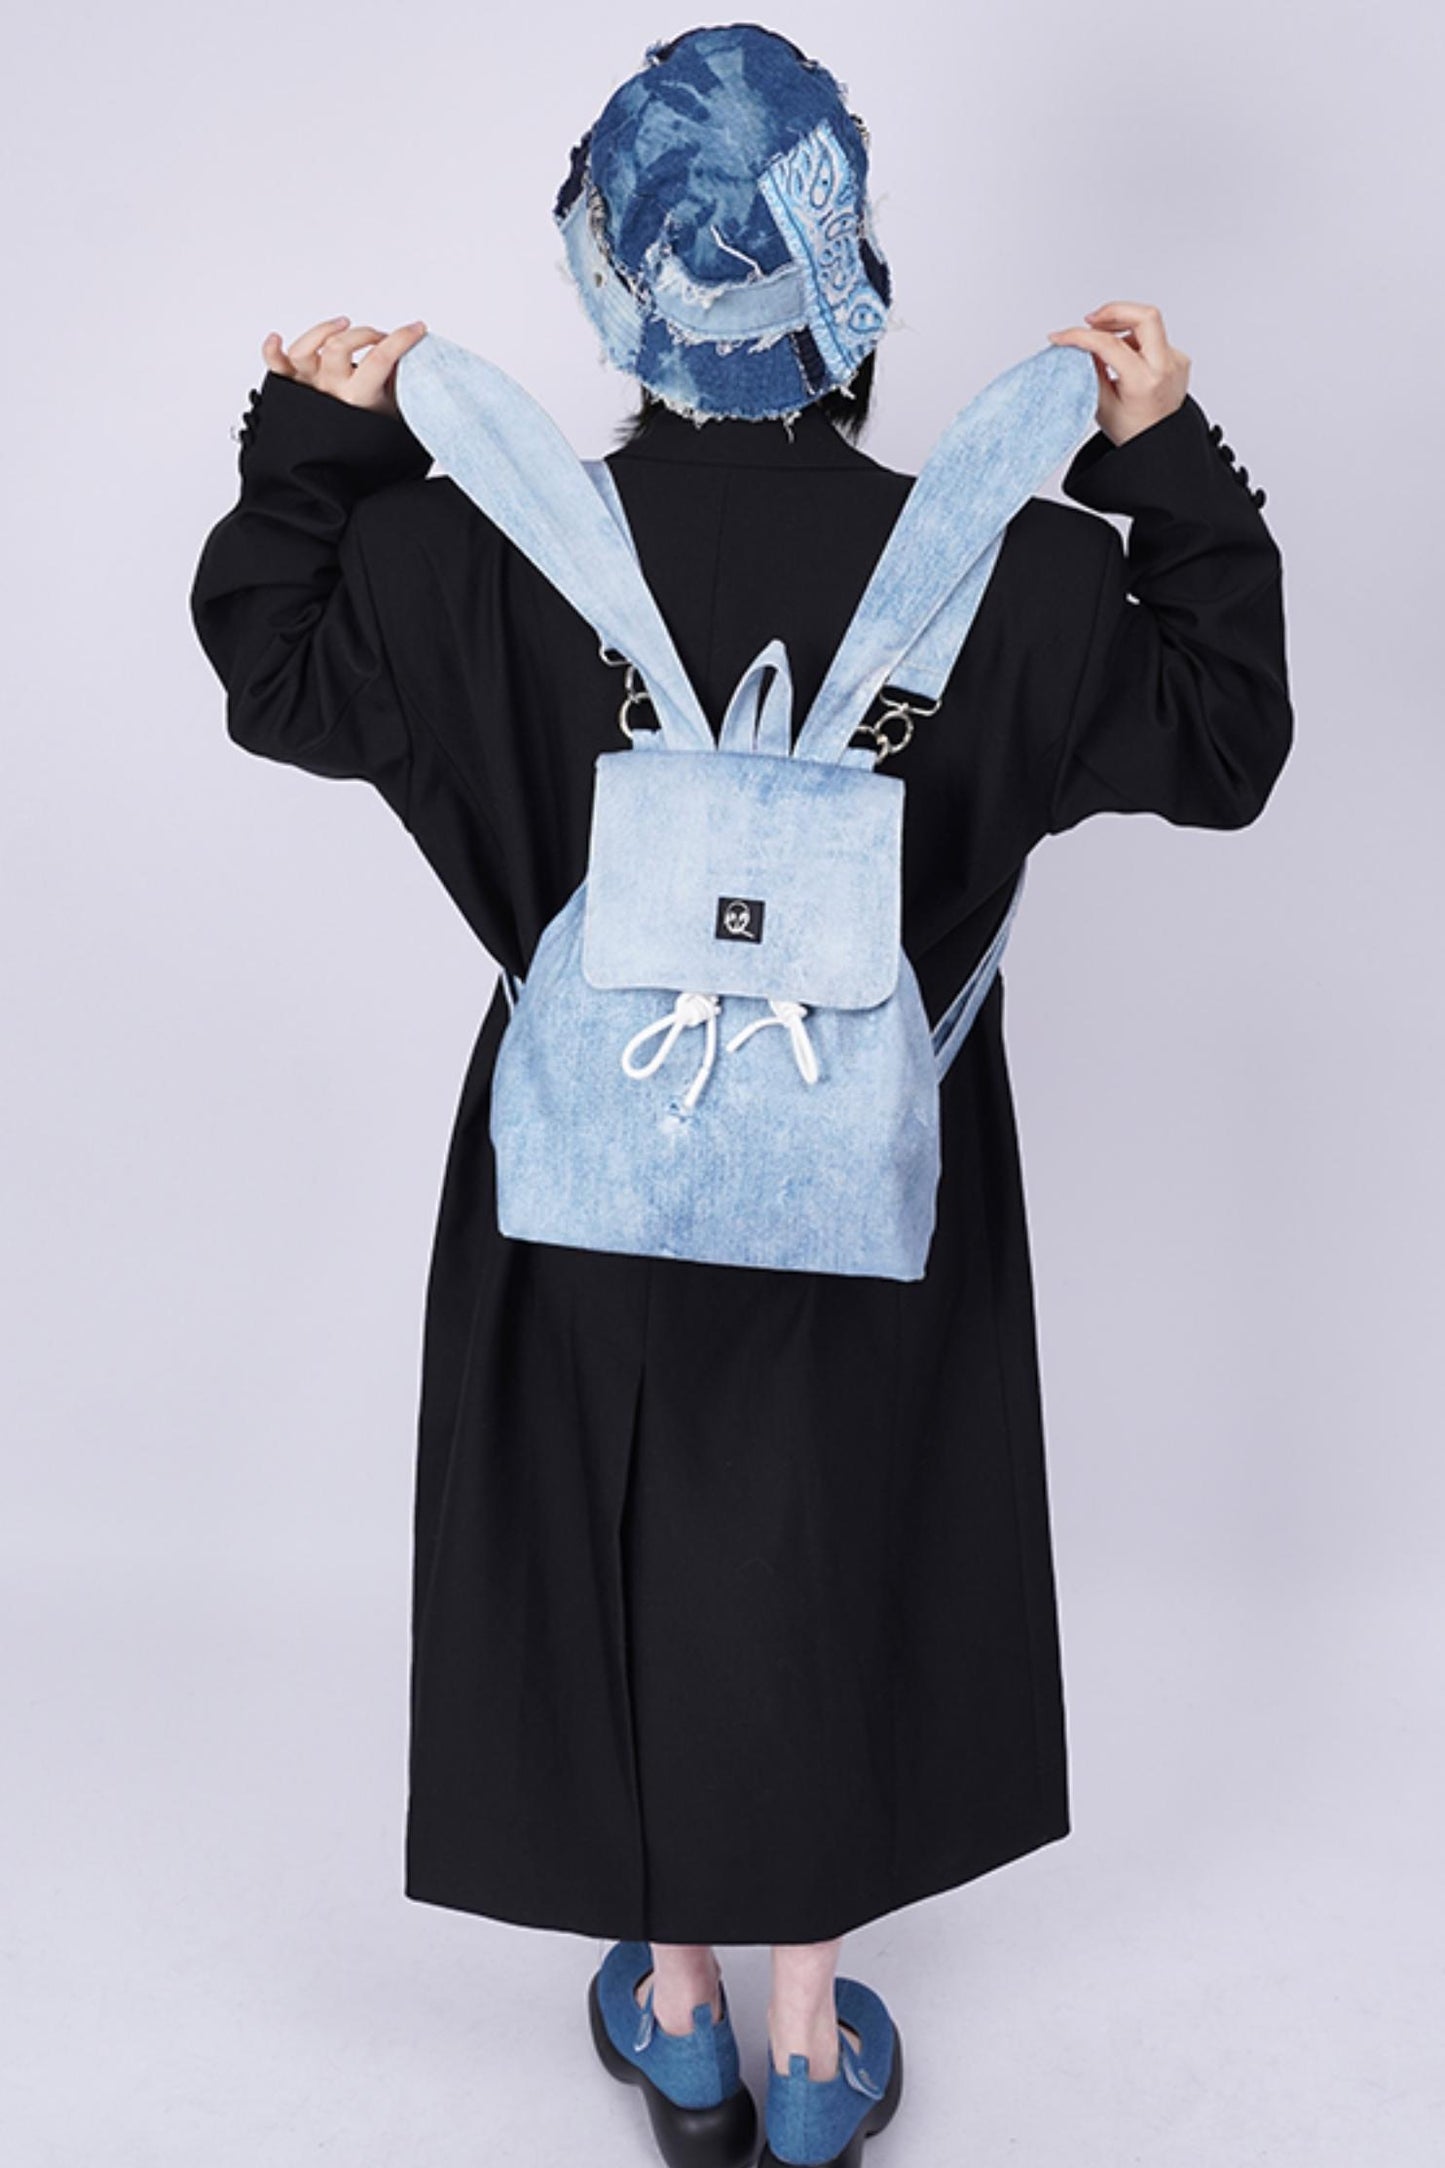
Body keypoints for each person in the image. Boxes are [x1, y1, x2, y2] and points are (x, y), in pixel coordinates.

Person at [189, 24, 1294, 2168]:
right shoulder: (1028, 574)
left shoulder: (462, 562)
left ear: (612, 274)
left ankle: (677, 2013)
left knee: (622, 1543)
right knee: (831, 1543)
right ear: (848, 277)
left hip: (583, 1181)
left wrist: (322, 431)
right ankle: (809, 2044)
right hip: (878, 1180)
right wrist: (1160, 455)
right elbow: (1227, 738)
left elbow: (268, 657)